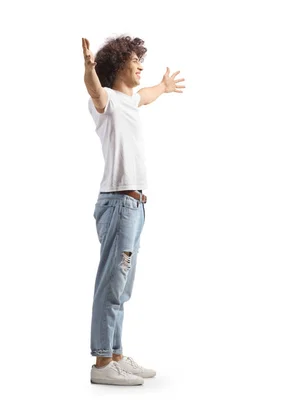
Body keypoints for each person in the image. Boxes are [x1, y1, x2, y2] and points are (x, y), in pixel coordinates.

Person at [82, 36, 185, 386]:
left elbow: (148, 95)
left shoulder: (129, 101)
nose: (141, 63)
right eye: (134, 59)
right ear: (117, 66)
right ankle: (101, 363)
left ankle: (116, 355)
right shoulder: (108, 99)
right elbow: (95, 91)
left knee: (122, 286)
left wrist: (164, 87)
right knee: (112, 284)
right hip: (118, 203)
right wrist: (88, 69)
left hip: (135, 205)